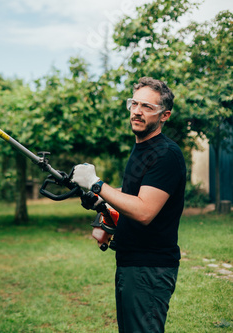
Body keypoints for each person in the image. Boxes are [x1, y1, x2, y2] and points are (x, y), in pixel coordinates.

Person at [71, 77, 186, 333]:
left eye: (147, 106)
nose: (137, 111)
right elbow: (134, 193)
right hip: (131, 261)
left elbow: (144, 211)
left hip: (150, 268)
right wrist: (102, 198)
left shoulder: (166, 154)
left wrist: (97, 183)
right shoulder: (142, 148)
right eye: (134, 103)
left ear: (164, 115)